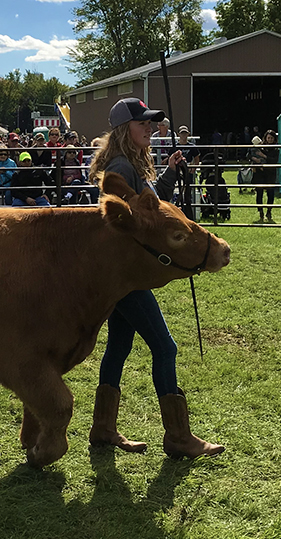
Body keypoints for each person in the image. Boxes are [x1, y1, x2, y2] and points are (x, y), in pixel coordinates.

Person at [85, 97, 223, 458]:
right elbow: (136, 227)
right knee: (165, 347)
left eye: (150, 123)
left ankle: (103, 428)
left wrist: (171, 172)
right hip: (127, 276)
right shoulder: (120, 167)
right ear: (123, 130)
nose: (149, 128)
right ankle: (178, 437)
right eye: (141, 123)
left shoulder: (128, 164)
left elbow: (151, 208)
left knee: (119, 345)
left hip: (123, 274)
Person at [251, 130, 279, 222]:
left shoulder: (276, 149)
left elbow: (274, 160)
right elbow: (249, 154)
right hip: (260, 173)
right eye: (268, 138)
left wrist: (263, 156)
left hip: (270, 172)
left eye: (272, 138)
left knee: (270, 193)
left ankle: (269, 211)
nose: (270, 139)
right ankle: (260, 211)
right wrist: (254, 159)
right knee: (259, 192)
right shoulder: (261, 147)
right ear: (265, 138)